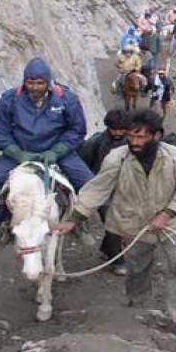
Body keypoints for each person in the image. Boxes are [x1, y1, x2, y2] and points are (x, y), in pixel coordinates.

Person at [56, 110, 176, 342]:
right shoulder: (117, 158)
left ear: (157, 135)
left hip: (172, 225)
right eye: (131, 137)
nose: (135, 142)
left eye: (141, 137)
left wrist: (167, 213)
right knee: (138, 267)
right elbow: (98, 188)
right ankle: (139, 307)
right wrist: (74, 219)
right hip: (134, 225)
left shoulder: (175, 157)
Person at [0, 58, 94, 239]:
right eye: (30, 82)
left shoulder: (66, 99)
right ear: (24, 82)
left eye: (40, 83)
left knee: (88, 185)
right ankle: (6, 224)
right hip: (20, 152)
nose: (35, 87)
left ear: (48, 83)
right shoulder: (10, 99)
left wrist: (57, 151)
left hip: (57, 152)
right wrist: (16, 152)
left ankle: (76, 222)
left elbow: (77, 129)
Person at [77, 109, 130, 275]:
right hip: (102, 189)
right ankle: (118, 261)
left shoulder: (132, 142)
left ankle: (107, 248)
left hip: (125, 189)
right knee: (112, 221)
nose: (117, 133)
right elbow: (82, 166)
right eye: (114, 129)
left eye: (121, 129)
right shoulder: (95, 143)